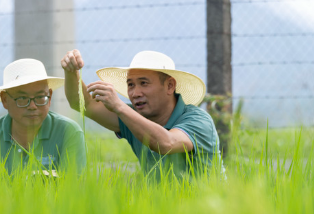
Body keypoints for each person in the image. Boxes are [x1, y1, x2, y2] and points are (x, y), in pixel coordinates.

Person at [61, 49, 223, 178]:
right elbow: (83, 103)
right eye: (130, 84)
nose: (135, 93)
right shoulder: (132, 117)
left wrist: (119, 106)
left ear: (169, 86)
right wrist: (71, 71)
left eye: (144, 83)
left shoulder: (198, 120)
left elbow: (166, 143)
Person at [0, 58, 86, 175]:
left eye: (40, 97)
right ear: (5, 100)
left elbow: (74, 188)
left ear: (49, 97)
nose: (32, 106)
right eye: (22, 98)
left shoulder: (69, 133)